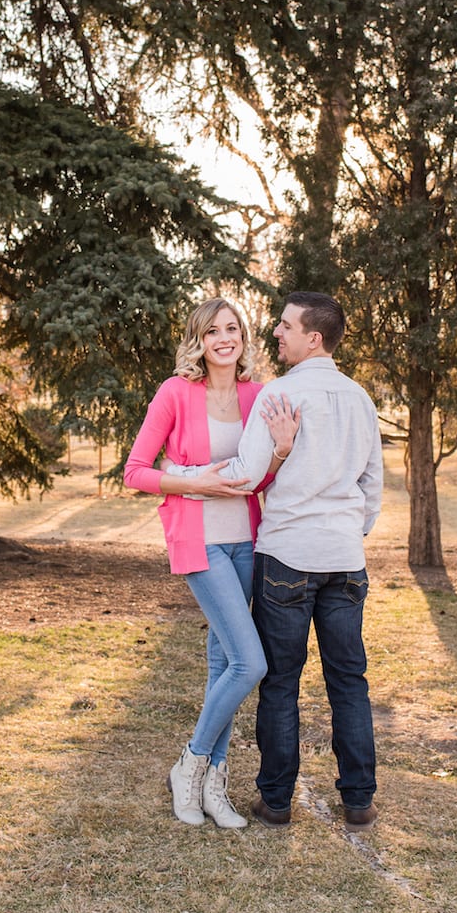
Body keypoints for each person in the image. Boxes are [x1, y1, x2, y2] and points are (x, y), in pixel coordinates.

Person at [169, 292, 383, 831]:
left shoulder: (280, 394)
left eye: (286, 326)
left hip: (287, 555)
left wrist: (181, 477)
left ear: (314, 337)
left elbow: (245, 472)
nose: (277, 333)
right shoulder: (360, 398)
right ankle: (359, 800)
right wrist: (348, 532)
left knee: (281, 680)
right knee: (349, 679)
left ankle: (277, 802)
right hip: (345, 560)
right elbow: (372, 486)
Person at [123, 297, 298, 830]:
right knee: (250, 662)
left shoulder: (257, 396)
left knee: (224, 663)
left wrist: (281, 450)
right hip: (199, 542)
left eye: (232, 328)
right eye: (213, 331)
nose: (225, 338)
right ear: (198, 342)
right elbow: (135, 471)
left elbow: (258, 479)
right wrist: (192, 480)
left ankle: (213, 785)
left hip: (247, 540)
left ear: (243, 337)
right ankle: (191, 764)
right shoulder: (175, 393)